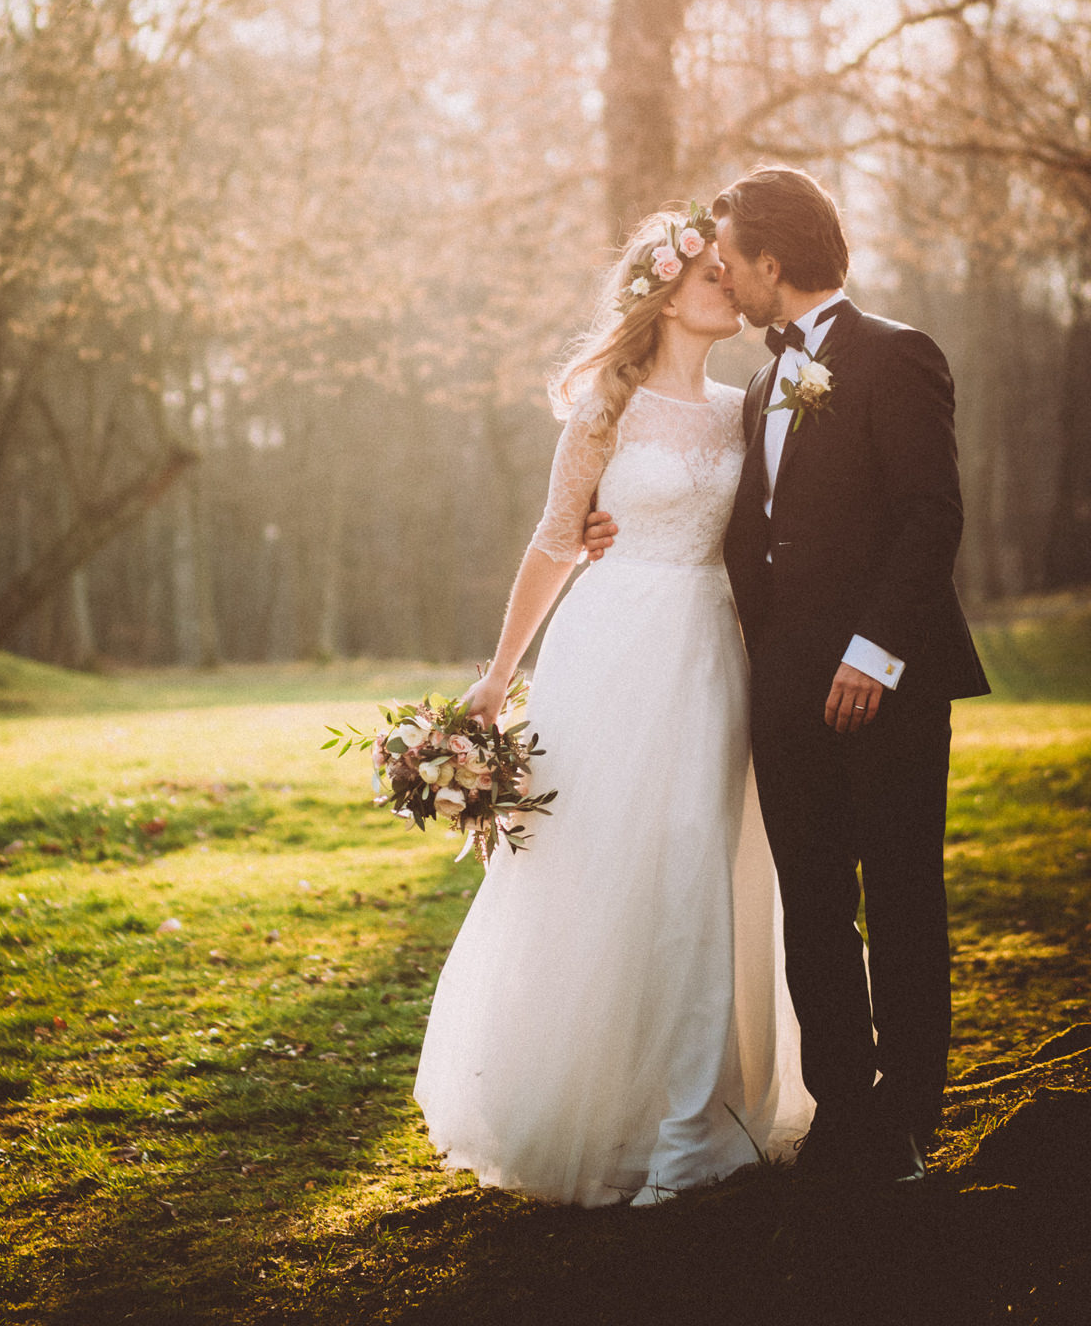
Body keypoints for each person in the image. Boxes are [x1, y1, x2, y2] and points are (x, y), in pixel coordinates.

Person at [585, 167, 989, 1182]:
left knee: (898, 896)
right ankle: (843, 1115)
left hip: (883, 683)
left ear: (770, 263)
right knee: (811, 902)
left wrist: (873, 653)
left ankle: (904, 1121)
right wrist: (608, 528)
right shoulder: (759, 383)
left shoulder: (897, 355)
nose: (722, 276)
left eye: (729, 260)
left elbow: (928, 516)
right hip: (781, 687)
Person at [413, 206, 813, 1209]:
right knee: (602, 862)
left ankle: (691, 1124)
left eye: (727, 272)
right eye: (711, 273)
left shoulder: (747, 405)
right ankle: (609, 1101)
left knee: (698, 861)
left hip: (710, 649)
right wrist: (497, 677)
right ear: (667, 291)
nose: (728, 283)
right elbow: (555, 540)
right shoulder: (606, 403)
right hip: (611, 645)